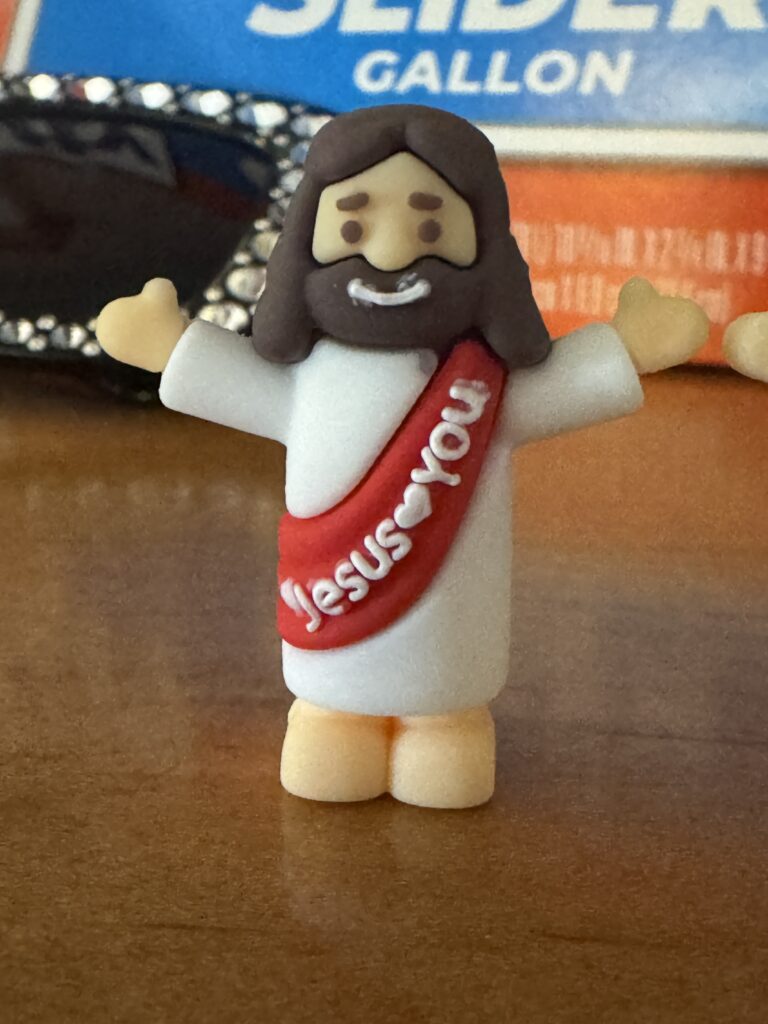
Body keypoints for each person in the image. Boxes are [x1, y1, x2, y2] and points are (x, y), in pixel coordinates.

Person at [96, 105, 709, 809]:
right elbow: (238, 387)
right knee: (331, 725)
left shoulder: (482, 385)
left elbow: (561, 390)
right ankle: (332, 724)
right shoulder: (312, 379)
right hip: (329, 620)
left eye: (429, 230)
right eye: (356, 228)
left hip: (453, 637)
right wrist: (172, 348)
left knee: (445, 729)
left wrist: (627, 348)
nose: (389, 256)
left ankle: (445, 735)